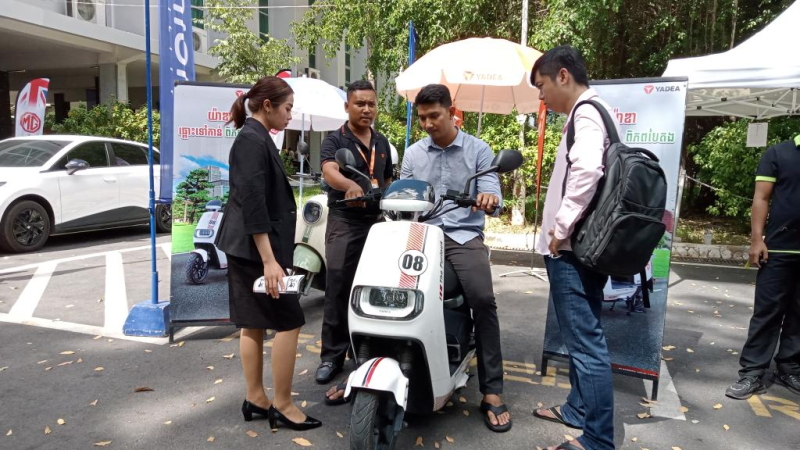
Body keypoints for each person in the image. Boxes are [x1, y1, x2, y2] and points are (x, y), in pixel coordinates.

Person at [400, 83, 512, 433]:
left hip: (463, 236)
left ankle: (492, 391)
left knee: (483, 299)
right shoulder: (413, 154)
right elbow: (401, 195)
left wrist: (489, 200)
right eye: (423, 118)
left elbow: (492, 191)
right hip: (420, 235)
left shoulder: (479, 150)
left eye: (435, 115)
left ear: (452, 111)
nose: (429, 124)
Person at [215, 76, 321, 432]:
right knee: (289, 321)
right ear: (267, 106)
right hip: (255, 250)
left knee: (253, 322)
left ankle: (257, 398)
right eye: (287, 108)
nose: (290, 115)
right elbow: (252, 203)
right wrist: (270, 260)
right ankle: (283, 404)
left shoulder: (256, 137)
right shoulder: (251, 140)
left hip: (249, 248)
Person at [530, 46, 616, 450]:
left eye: (543, 86)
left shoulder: (585, 112)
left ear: (563, 76)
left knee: (585, 345)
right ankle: (577, 410)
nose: (541, 96)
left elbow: (586, 171)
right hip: (584, 249)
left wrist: (559, 229)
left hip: (572, 250)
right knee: (586, 336)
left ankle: (597, 440)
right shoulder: (595, 112)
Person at [316, 80, 394, 392]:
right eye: (359, 103)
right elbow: (329, 170)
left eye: (371, 104)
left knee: (375, 289)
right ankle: (332, 356)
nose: (366, 109)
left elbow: (387, 180)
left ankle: (367, 351)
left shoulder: (383, 142)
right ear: (347, 106)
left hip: (376, 222)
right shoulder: (335, 140)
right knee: (338, 286)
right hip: (345, 221)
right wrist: (347, 184)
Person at [725, 136, 800, 399]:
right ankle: (752, 372)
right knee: (767, 312)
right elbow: (761, 197)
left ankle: (789, 367)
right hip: (779, 247)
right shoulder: (779, 154)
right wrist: (757, 239)